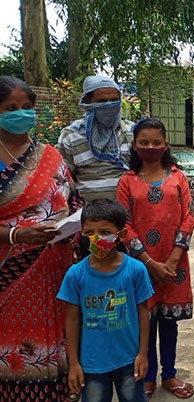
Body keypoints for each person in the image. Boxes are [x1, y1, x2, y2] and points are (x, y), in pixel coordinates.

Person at [0, 76, 78, 401]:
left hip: (54, 273)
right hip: (9, 278)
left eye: (27, 107)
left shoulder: (51, 156)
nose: (21, 114)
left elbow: (72, 202)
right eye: (10, 108)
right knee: (15, 353)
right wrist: (18, 234)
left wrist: (75, 229)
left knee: (54, 346)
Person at [116, 118, 194, 399]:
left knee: (169, 323)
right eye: (144, 142)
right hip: (141, 265)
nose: (150, 147)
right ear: (135, 146)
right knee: (145, 321)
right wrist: (149, 262)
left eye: (156, 142)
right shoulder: (126, 182)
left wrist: (173, 260)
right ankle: (148, 375)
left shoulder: (178, 178)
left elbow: (188, 218)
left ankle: (170, 375)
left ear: (166, 145)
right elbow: (123, 225)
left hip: (176, 263)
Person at [57, 199, 154, 402]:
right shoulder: (75, 275)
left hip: (129, 360)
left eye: (104, 232)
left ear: (122, 235)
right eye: (88, 233)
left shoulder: (135, 271)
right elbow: (72, 320)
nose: (96, 238)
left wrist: (143, 354)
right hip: (92, 364)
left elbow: (144, 312)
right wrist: (73, 363)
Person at [57, 75, 134, 202]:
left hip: (130, 213)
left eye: (114, 100)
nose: (109, 105)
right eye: (102, 101)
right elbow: (63, 178)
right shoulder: (71, 135)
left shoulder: (133, 131)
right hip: (88, 215)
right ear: (88, 103)